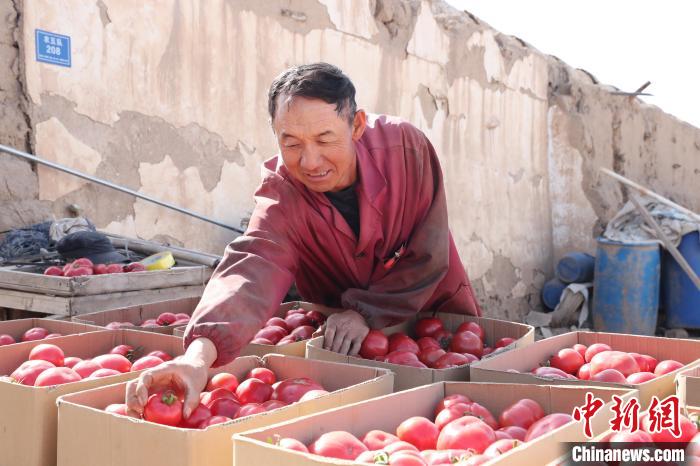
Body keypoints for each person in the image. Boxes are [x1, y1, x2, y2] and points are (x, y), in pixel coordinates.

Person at [126, 63, 481, 418]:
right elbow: (252, 266)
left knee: (460, 408)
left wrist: (365, 312)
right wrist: (197, 358)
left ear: (356, 125)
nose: (310, 162)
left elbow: (428, 250)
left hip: (433, 323)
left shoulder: (405, 148)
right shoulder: (283, 192)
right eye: (291, 143)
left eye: (325, 140)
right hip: (344, 344)